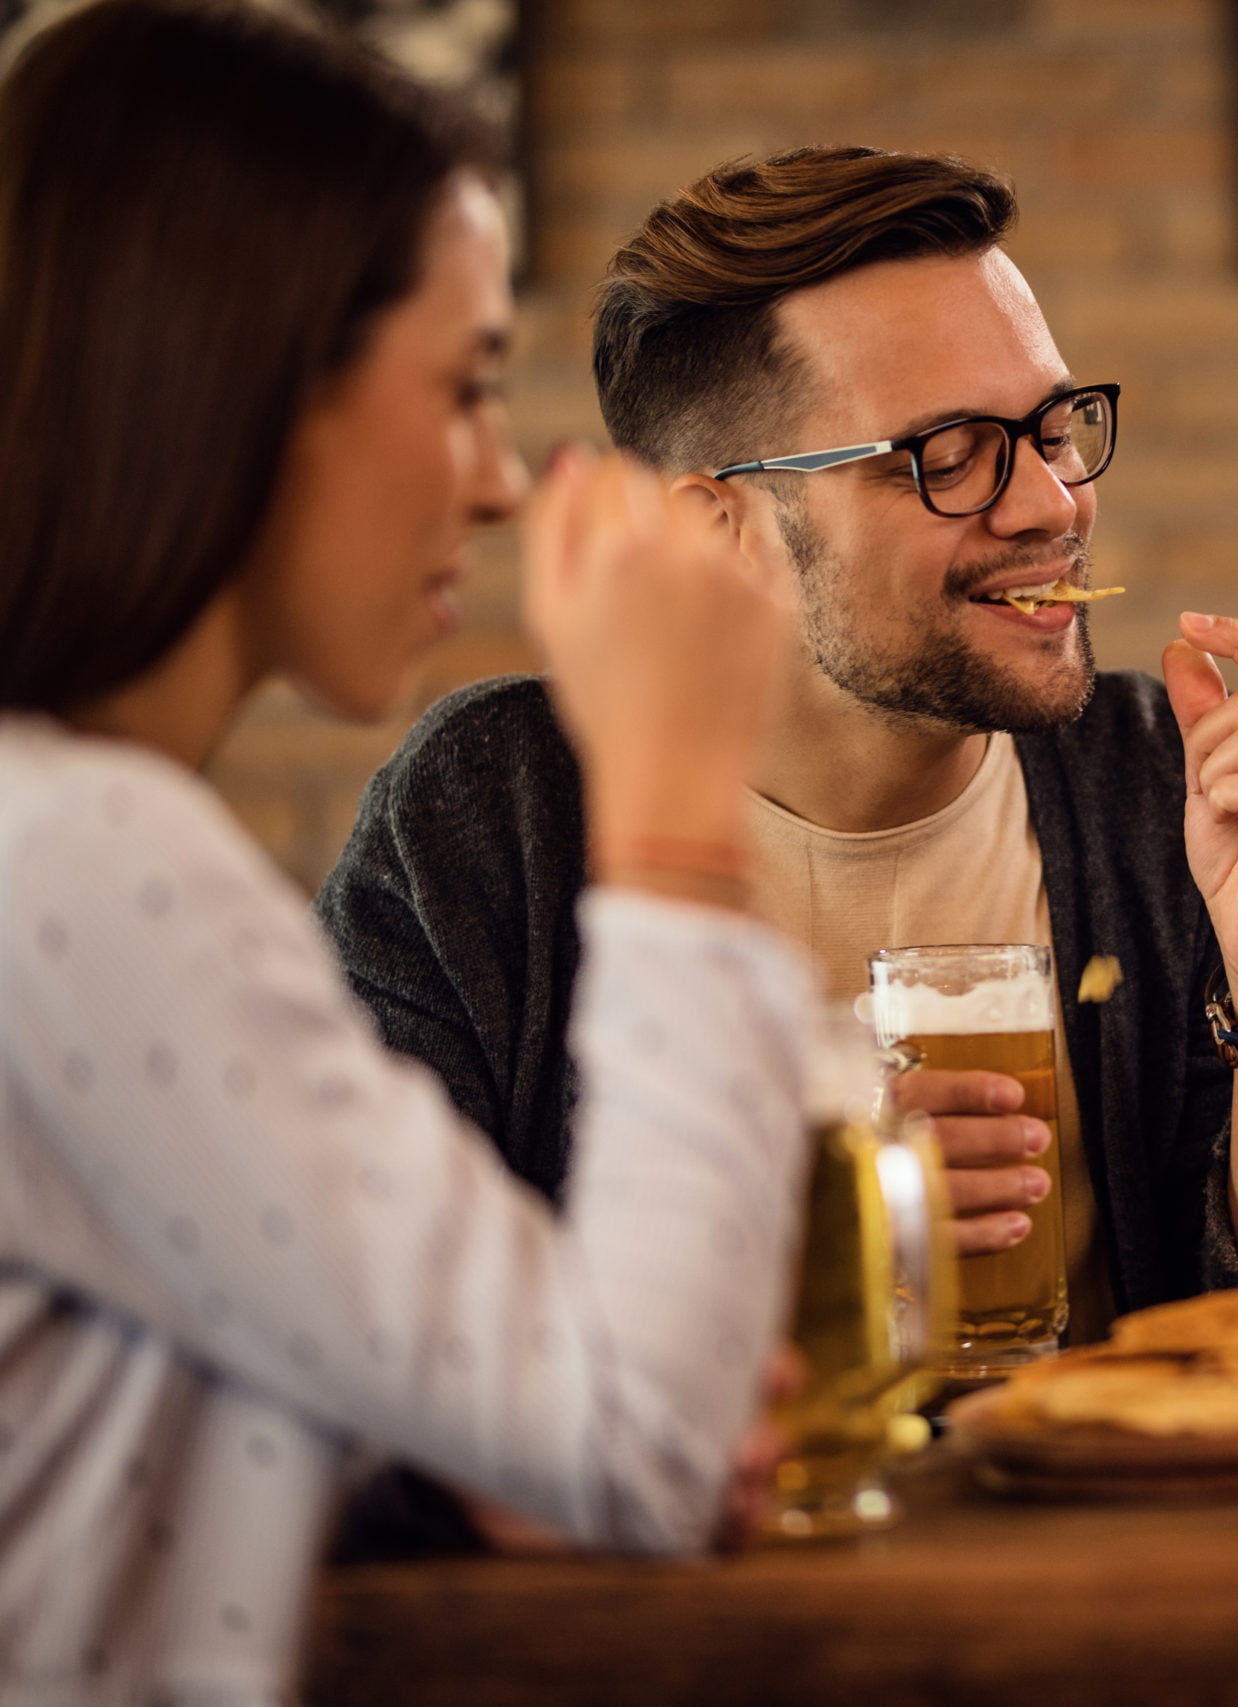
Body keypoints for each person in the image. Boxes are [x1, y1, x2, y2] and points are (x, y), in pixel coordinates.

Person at [317, 149, 1238, 1367]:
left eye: (1054, 428)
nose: (1050, 503)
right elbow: (369, 1334)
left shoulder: (1155, 784)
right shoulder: (486, 813)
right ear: (722, 528)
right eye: (947, 457)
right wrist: (785, 1224)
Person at [0, 1, 813, 1697]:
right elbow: (648, 1447)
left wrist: (425, 1464)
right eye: (464, 385)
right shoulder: (86, 855)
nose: (504, 479)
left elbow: (110, 1405)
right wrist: (673, 795)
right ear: (245, 376)